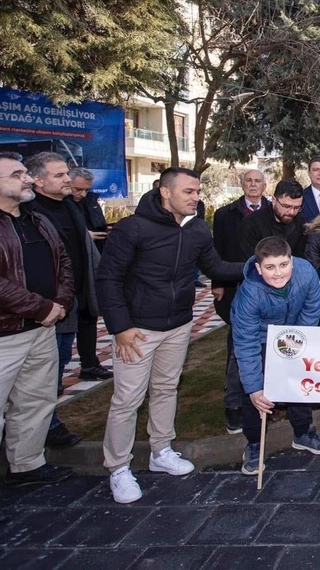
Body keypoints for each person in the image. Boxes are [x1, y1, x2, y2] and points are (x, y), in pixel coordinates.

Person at [95, 167, 245, 504]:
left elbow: (216, 268)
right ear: (165, 192)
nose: (196, 197)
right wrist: (120, 327)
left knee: (165, 389)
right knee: (127, 400)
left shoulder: (196, 230)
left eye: (197, 191)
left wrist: (256, 265)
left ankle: (161, 450)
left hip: (179, 325)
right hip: (137, 330)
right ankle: (118, 467)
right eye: (189, 192)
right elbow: (108, 279)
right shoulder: (132, 228)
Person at [0, 152, 75, 530]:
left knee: (37, 401)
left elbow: (63, 263)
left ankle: (26, 465)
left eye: (26, 172)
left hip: (40, 331)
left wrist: (59, 303)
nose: (27, 179)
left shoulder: (36, 219)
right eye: (17, 174)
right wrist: (39, 307)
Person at [231, 237, 320, 476]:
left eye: (283, 265)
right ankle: (255, 444)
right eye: (269, 267)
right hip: (260, 337)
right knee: (256, 392)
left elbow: (311, 308)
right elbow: (245, 344)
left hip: (294, 331)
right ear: (258, 268)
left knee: (299, 380)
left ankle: (302, 432)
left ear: (291, 262)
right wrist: (254, 388)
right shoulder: (249, 294)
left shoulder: (306, 272)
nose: (278, 273)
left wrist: (297, 343)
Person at [22, 151, 97, 447]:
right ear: (38, 180)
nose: (68, 179)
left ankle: (45, 425)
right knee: (39, 375)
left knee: (57, 366)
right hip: (43, 308)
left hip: (70, 302)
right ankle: (40, 431)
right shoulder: (29, 213)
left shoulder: (69, 206)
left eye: (66, 174)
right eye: (59, 175)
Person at [211, 169, 269, 432]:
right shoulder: (226, 214)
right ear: (242, 184)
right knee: (239, 347)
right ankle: (233, 404)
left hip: (271, 288)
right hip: (237, 287)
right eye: (249, 181)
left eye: (258, 181)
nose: (253, 185)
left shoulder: (273, 212)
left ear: (265, 185)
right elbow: (217, 252)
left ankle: (267, 400)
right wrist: (218, 283)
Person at [67, 167, 113, 380]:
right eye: (78, 189)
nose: (82, 194)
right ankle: (57, 374)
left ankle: (89, 364)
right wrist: (84, 237)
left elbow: (97, 224)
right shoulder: (58, 206)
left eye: (86, 190)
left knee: (89, 318)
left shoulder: (89, 201)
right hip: (68, 274)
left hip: (91, 269)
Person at [239, 179, 307, 259]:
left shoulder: (301, 221)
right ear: (274, 200)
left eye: (296, 207)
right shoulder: (252, 224)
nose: (291, 212)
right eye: (286, 206)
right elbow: (252, 262)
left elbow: (302, 257)